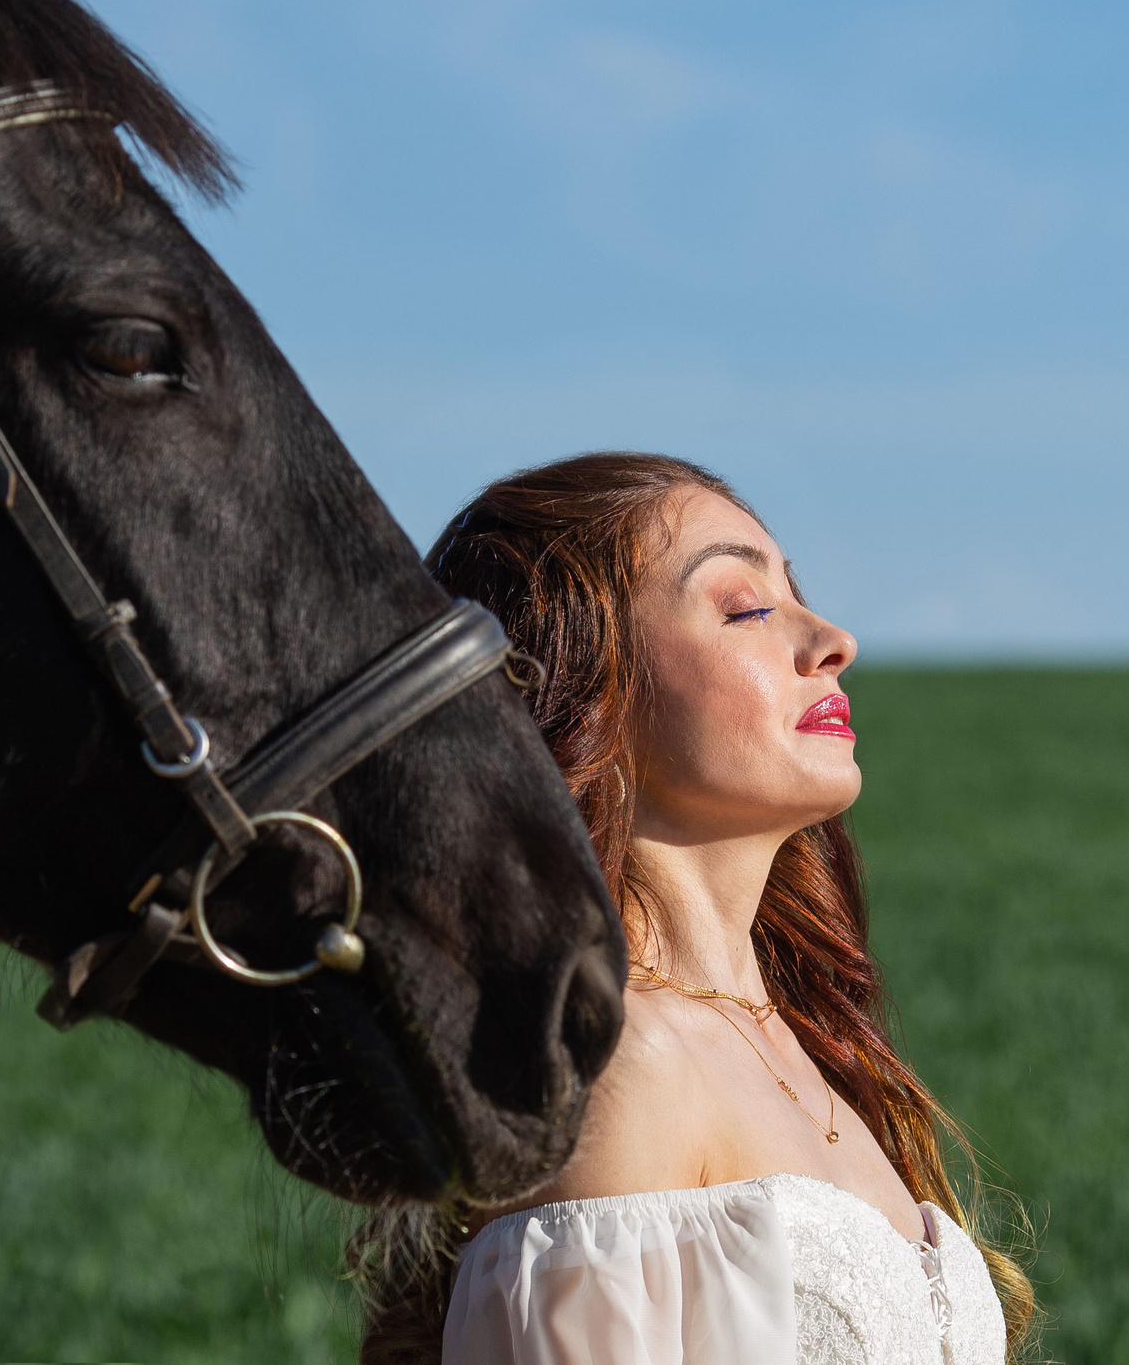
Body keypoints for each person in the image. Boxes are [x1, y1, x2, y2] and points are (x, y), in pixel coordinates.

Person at [352, 452, 1035, 1364]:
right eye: (745, 606)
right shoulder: (625, 1062)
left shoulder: (807, 1049)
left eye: (797, 591)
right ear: (585, 688)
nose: (833, 639)